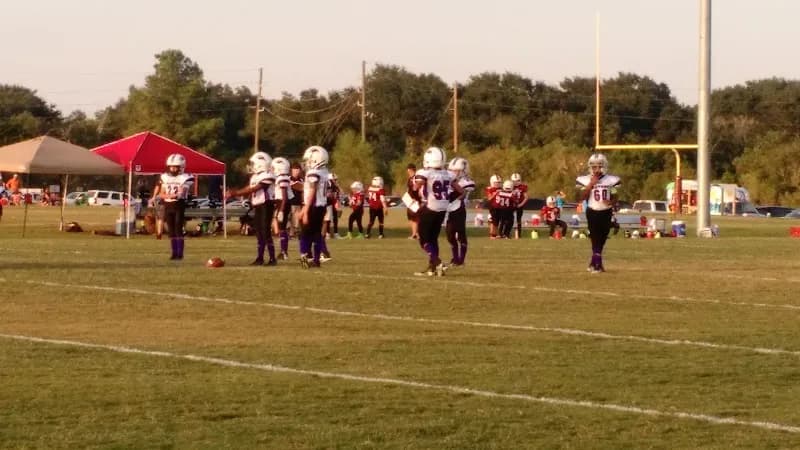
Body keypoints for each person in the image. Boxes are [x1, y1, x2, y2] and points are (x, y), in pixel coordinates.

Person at [409, 146, 463, 276]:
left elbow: (417, 186)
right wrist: (448, 199)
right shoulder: (449, 174)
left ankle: (437, 262)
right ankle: (433, 268)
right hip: (442, 209)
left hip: (430, 208)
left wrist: (414, 187)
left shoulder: (426, 172)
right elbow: (461, 190)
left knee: (424, 240)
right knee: (433, 238)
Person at [226, 152, 277, 266]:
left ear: (261, 164)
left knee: (265, 231)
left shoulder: (267, 175)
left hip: (266, 205)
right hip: (258, 205)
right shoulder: (255, 176)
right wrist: (235, 192)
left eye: (254, 163)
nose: (252, 165)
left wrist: (235, 193)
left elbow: (255, 189)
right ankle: (260, 258)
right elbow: (249, 187)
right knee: (259, 232)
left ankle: (273, 258)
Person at [576, 153, 621, 273]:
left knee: (603, 237)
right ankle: (597, 263)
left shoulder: (611, 180)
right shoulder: (584, 180)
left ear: (604, 166)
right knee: (595, 237)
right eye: (594, 166)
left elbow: (615, 195)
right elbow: (582, 197)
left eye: (599, 166)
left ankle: (595, 261)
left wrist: (611, 202)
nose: (596, 169)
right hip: (592, 210)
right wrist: (591, 184)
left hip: (606, 211)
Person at [157, 154, 194, 260]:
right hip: (168, 205)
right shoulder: (164, 177)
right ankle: (174, 253)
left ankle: (180, 253)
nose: (172, 169)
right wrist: (170, 196)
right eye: (171, 166)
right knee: (171, 231)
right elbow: (161, 193)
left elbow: (182, 193)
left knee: (178, 229)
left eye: (175, 166)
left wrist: (175, 195)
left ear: (181, 167)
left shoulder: (186, 177)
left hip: (179, 205)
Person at [298, 145, 330, 269]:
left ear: (316, 160)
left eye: (309, 160)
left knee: (305, 234)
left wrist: (305, 210)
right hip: (321, 206)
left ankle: (305, 259)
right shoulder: (324, 172)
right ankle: (316, 260)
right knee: (316, 234)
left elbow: (312, 191)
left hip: (313, 206)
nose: (307, 163)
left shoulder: (314, 173)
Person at [445, 157, 475, 266]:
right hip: (449, 210)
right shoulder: (450, 181)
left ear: (463, 171)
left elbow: (462, 193)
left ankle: (461, 259)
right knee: (449, 234)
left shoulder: (466, 182)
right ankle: (455, 257)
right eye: (452, 170)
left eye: (456, 170)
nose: (453, 173)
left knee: (461, 234)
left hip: (459, 209)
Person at [271, 157, 294, 260]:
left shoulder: (282, 178)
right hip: (281, 203)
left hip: (283, 203)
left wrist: (281, 210)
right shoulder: (282, 177)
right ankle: (283, 251)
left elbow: (284, 197)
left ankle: (284, 252)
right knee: (281, 229)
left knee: (282, 228)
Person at [289, 162, 305, 238]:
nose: (297, 171)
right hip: (290, 202)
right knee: (291, 218)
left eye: (298, 170)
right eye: (295, 170)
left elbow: (303, 189)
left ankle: (297, 232)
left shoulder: (301, 180)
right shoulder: (288, 179)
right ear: (292, 170)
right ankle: (291, 233)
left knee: (298, 218)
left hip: (298, 201)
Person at [510, 173, 528, 239]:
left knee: (518, 220)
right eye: (514, 181)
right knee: (509, 219)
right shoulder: (510, 186)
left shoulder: (522, 187)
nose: (516, 182)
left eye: (518, 180)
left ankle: (518, 235)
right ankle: (507, 234)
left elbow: (526, 197)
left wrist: (520, 204)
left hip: (519, 205)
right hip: (511, 205)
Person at [405, 163, 420, 239]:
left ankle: (415, 234)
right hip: (409, 200)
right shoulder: (409, 178)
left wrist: (415, 198)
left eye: (408, 169)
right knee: (410, 217)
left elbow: (417, 188)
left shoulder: (416, 178)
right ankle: (415, 233)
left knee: (415, 218)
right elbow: (409, 189)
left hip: (415, 200)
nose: (407, 171)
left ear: (411, 169)